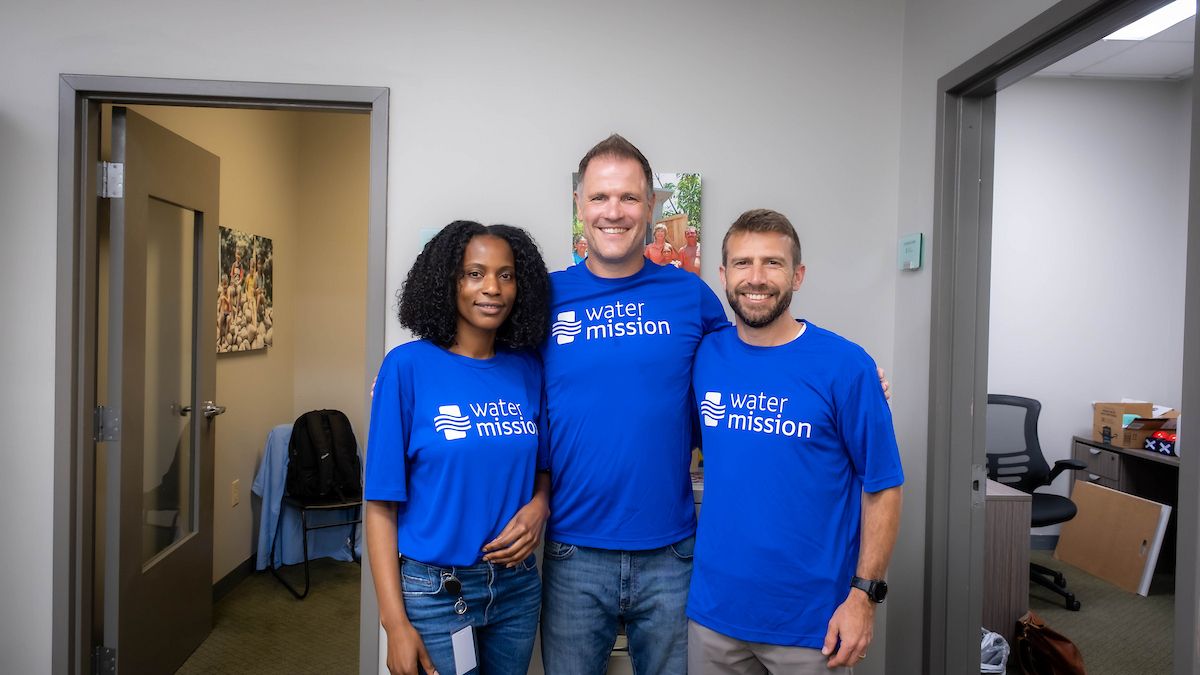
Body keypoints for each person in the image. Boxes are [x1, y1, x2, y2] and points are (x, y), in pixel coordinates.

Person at [539, 134, 730, 674]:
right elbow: (485, 363)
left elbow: (749, 365)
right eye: (599, 198)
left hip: (671, 551)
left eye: (628, 198)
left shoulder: (691, 296)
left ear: (649, 206)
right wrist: (410, 377)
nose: (613, 212)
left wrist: (844, 375)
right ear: (579, 205)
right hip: (572, 551)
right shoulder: (546, 297)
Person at [687, 208, 904, 674]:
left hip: (813, 624)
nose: (757, 278)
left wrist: (865, 597)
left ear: (798, 275)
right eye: (743, 264)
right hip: (714, 617)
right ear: (723, 275)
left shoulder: (846, 366)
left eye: (773, 263)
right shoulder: (706, 354)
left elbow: (883, 487)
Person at [365, 220, 552, 675]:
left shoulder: (527, 369)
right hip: (435, 591)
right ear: (448, 281)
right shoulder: (406, 368)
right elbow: (380, 504)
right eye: (474, 273)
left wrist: (540, 506)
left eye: (506, 275)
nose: (492, 288)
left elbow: (542, 468)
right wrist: (394, 624)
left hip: (516, 588)